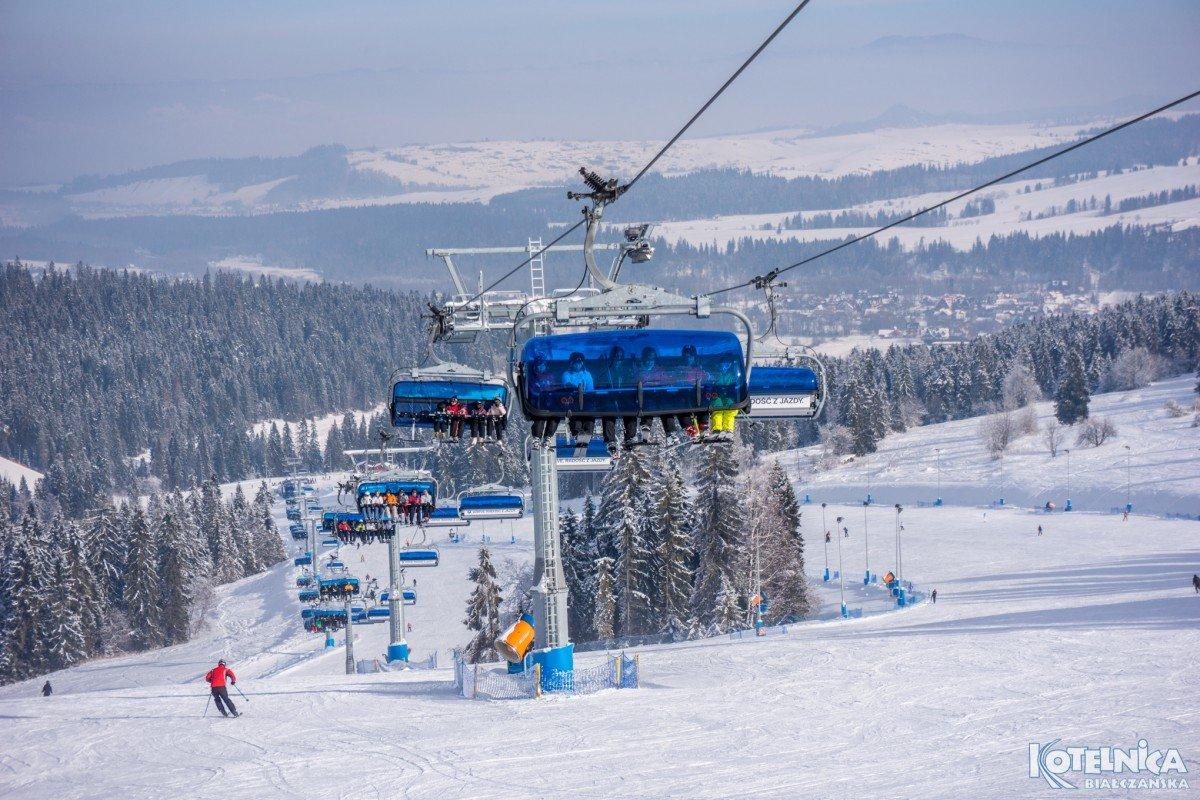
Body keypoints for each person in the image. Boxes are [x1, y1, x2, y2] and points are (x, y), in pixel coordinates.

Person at [601, 345, 639, 450]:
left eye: (620, 357)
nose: (618, 359)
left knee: (630, 411)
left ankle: (630, 437)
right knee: (608, 413)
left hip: (624, 397)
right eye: (616, 357)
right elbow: (601, 380)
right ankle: (610, 440)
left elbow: (633, 379)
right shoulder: (608, 369)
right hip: (610, 397)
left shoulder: (626, 369)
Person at [675, 344, 710, 437]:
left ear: (694, 358)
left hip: (696, 393)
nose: (688, 359)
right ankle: (689, 427)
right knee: (681, 405)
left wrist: (708, 376)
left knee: (704, 401)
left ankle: (703, 424)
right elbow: (675, 379)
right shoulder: (679, 369)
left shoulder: (698, 369)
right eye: (686, 357)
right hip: (683, 394)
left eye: (690, 357)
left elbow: (707, 379)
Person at [527, 355, 559, 445]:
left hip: (550, 402)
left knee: (554, 417)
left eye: (542, 365)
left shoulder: (550, 376)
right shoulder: (532, 377)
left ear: (545, 366)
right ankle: (537, 437)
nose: (540, 367)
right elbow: (532, 389)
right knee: (540, 417)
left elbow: (554, 387)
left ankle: (548, 436)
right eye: (538, 366)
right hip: (538, 403)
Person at [708, 356, 741, 438]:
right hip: (718, 396)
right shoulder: (716, 375)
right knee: (717, 407)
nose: (724, 367)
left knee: (730, 409)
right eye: (722, 365)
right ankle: (717, 429)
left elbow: (736, 386)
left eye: (727, 365)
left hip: (729, 396)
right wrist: (713, 392)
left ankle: (728, 429)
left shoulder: (732, 376)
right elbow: (710, 385)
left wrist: (731, 391)